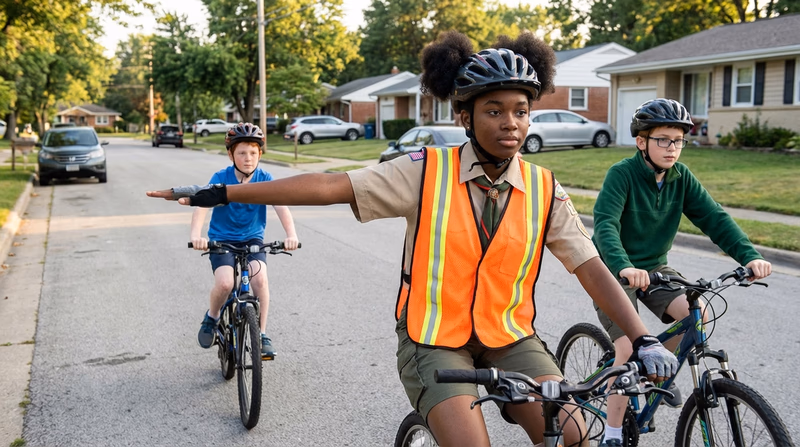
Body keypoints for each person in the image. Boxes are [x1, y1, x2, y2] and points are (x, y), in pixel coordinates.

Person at [148, 32, 677, 447]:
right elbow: (333, 186)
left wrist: (644, 337)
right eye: (494, 111)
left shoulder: (543, 187)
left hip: (510, 339)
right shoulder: (426, 171)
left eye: (521, 110)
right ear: (464, 116)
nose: (511, 123)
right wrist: (223, 193)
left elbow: (589, 267)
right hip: (432, 338)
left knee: (578, 436)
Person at [591, 98, 772, 447]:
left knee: (696, 312)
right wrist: (624, 266)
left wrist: (749, 256)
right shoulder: (622, 174)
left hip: (656, 268)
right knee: (628, 344)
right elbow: (606, 226)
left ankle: (657, 372)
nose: (672, 148)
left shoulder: (681, 177)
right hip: (614, 270)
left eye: (678, 141)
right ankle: (612, 434)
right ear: (641, 141)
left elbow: (714, 219)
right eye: (663, 139)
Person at [189, 122, 299, 360]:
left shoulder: (265, 178)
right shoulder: (221, 178)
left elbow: (281, 206)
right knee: (226, 283)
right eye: (241, 153)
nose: (248, 158)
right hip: (221, 239)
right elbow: (201, 206)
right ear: (231, 155)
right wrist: (196, 236)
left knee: (260, 281)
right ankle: (213, 317)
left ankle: (262, 334)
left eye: (253, 152)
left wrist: (291, 235)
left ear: (260, 154)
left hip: (252, 239)